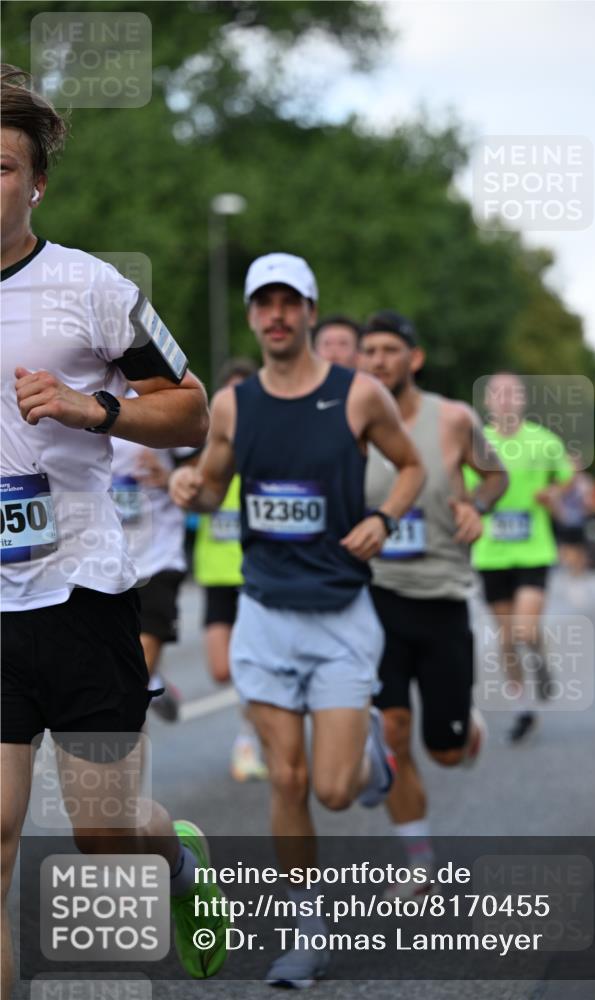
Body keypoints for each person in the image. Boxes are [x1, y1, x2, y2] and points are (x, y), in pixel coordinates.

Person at [0, 66, 228, 989]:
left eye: (0, 167)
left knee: (104, 838)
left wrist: (96, 409)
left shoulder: (90, 288)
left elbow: (190, 410)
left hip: (81, 590)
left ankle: (176, 858)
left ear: (36, 182)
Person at [170, 252, 425, 987]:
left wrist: (383, 517)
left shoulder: (359, 396)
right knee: (285, 778)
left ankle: (371, 750)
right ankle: (303, 935)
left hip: (341, 615)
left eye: (290, 302)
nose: (276, 315)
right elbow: (212, 489)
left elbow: (410, 467)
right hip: (264, 615)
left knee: (335, 790)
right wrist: (191, 486)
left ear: (311, 311)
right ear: (252, 314)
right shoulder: (232, 406)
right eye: (263, 303)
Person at [360, 310, 508, 896]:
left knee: (444, 753)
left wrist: (480, 505)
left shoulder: (454, 419)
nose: (377, 360)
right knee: (393, 731)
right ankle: (419, 859)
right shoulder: (354, 420)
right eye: (369, 351)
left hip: (444, 597)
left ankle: (462, 725)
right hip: (377, 598)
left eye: (390, 350)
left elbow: (494, 477)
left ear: (413, 359)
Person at [468, 372, 573, 743]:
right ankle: (523, 705)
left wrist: (554, 492)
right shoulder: (479, 444)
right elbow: (465, 489)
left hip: (533, 549)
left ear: (523, 400)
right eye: (499, 394)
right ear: (488, 402)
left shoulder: (542, 440)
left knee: (525, 629)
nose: (506, 400)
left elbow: (568, 473)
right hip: (492, 553)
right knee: (507, 637)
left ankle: (540, 660)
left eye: (513, 393)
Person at [192, 357, 267, 780]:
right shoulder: (206, 458)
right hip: (217, 576)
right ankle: (266, 702)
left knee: (252, 664)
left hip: (258, 578)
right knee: (223, 669)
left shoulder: (273, 455)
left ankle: (248, 739)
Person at [111, 402, 196, 722]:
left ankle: (146, 682)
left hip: (158, 558)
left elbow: (203, 473)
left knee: (126, 693)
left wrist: (172, 478)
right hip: (104, 562)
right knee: (115, 681)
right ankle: (154, 682)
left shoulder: (160, 398)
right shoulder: (72, 395)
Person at [551, 455, 595, 606]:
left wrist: (588, 505)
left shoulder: (585, 482)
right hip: (566, 521)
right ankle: (572, 578)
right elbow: (554, 499)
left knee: (580, 552)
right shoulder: (561, 480)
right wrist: (558, 513)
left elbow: (592, 502)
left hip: (580, 521)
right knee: (568, 550)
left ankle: (577, 579)